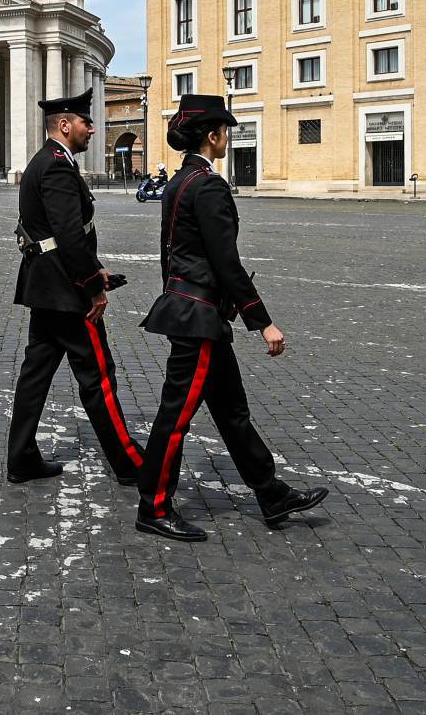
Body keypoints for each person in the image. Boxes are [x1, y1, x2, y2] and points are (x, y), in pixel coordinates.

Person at [133, 94, 329, 543]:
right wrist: (263, 322)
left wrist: (174, 296)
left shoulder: (180, 182)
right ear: (213, 135)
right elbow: (227, 263)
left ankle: (269, 492)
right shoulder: (210, 186)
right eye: (226, 129)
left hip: (191, 310)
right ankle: (154, 506)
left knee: (232, 412)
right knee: (175, 417)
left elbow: (170, 251)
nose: (228, 136)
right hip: (199, 317)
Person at [5, 91, 147, 489]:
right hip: (67, 294)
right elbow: (68, 235)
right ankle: (129, 462)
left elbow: (59, 234)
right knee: (98, 377)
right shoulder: (56, 168)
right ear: (65, 125)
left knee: (35, 376)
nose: (92, 129)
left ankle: (22, 458)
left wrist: (97, 269)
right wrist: (90, 286)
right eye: (86, 122)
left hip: (45, 287)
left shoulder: (45, 163)